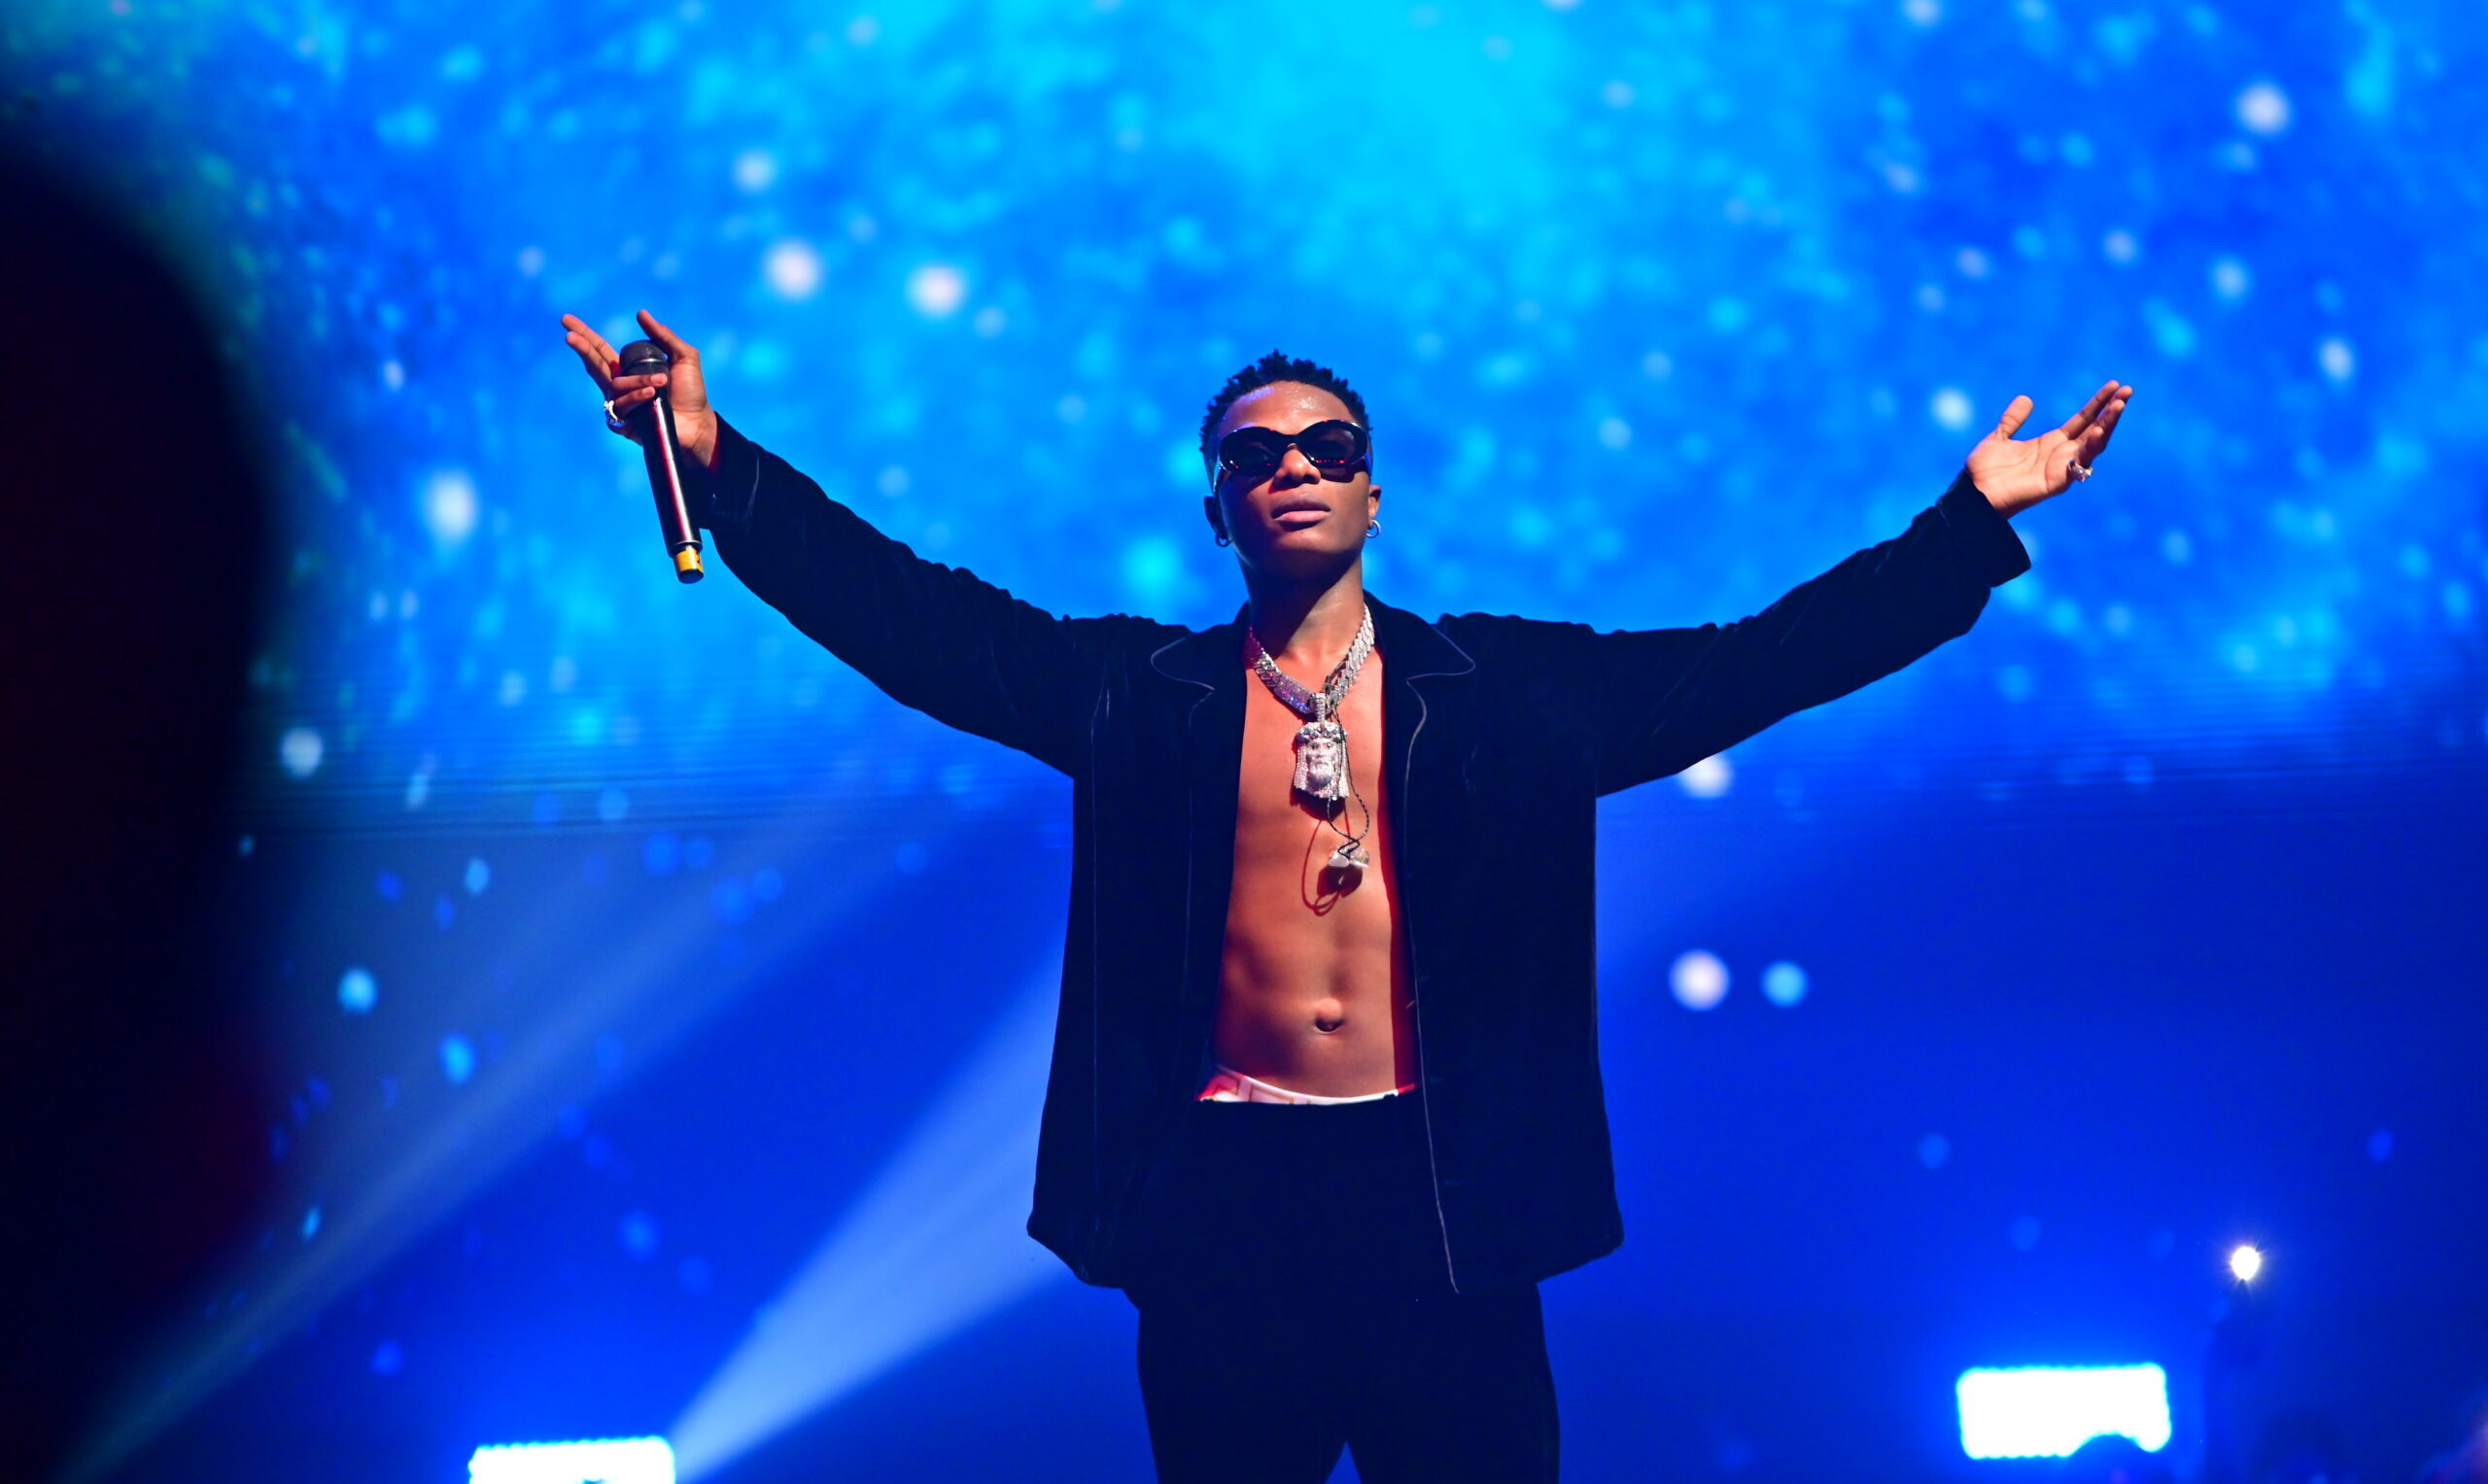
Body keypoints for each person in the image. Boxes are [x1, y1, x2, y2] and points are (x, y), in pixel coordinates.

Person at [563, 308, 2130, 1482]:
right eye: (1255, 456)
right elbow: (912, 618)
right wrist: (714, 458)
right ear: (1218, 510)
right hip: (1225, 1199)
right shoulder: (1141, 695)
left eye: (1328, 449)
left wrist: (1966, 529)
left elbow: (1758, 664)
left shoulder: (1508, 693)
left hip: (1441, 1197)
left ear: (1376, 496)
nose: (1294, 469)